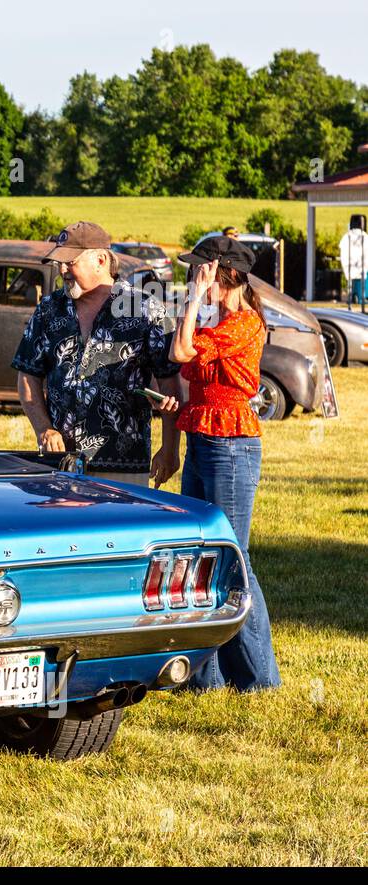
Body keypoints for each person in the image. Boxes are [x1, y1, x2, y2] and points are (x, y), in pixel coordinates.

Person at [169, 236, 279, 692]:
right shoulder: (220, 321)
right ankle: (205, 677)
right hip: (203, 433)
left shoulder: (245, 323)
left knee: (234, 557)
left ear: (224, 274)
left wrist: (194, 299)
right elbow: (184, 357)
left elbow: (181, 353)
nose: (194, 279)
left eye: (201, 271)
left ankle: (257, 678)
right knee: (200, 553)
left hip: (230, 442)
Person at [12, 221, 182, 486]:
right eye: (60, 263)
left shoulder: (145, 308)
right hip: (61, 465)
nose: (62, 270)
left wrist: (170, 449)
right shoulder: (49, 309)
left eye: (70, 262)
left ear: (101, 260)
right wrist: (44, 428)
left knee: (119, 529)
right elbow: (28, 375)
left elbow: (170, 382)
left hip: (123, 466)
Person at [338, 215, 366, 306]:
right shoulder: (364, 236)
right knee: (361, 283)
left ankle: (351, 297)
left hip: (350, 266)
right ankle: (359, 297)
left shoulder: (347, 236)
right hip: (361, 266)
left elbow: (342, 250)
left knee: (350, 282)